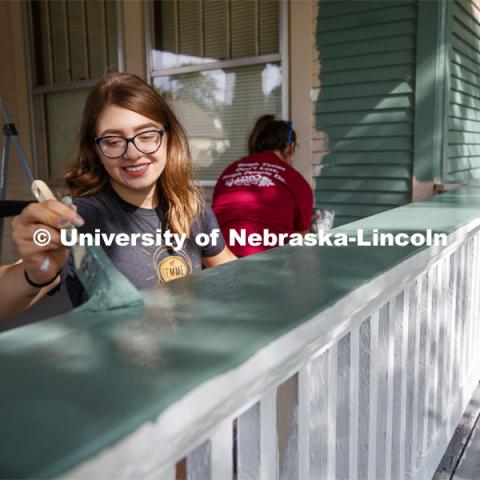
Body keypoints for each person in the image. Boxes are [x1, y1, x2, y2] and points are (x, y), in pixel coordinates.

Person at [0, 72, 236, 319]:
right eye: (113, 141)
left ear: (168, 137)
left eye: (146, 136)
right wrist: (34, 273)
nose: (133, 153)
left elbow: (233, 273)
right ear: (96, 150)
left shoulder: (190, 207)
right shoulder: (80, 220)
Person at [212, 115, 314, 257]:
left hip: (217, 258)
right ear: (290, 148)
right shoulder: (295, 180)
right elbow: (301, 238)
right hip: (264, 264)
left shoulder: (230, 170)